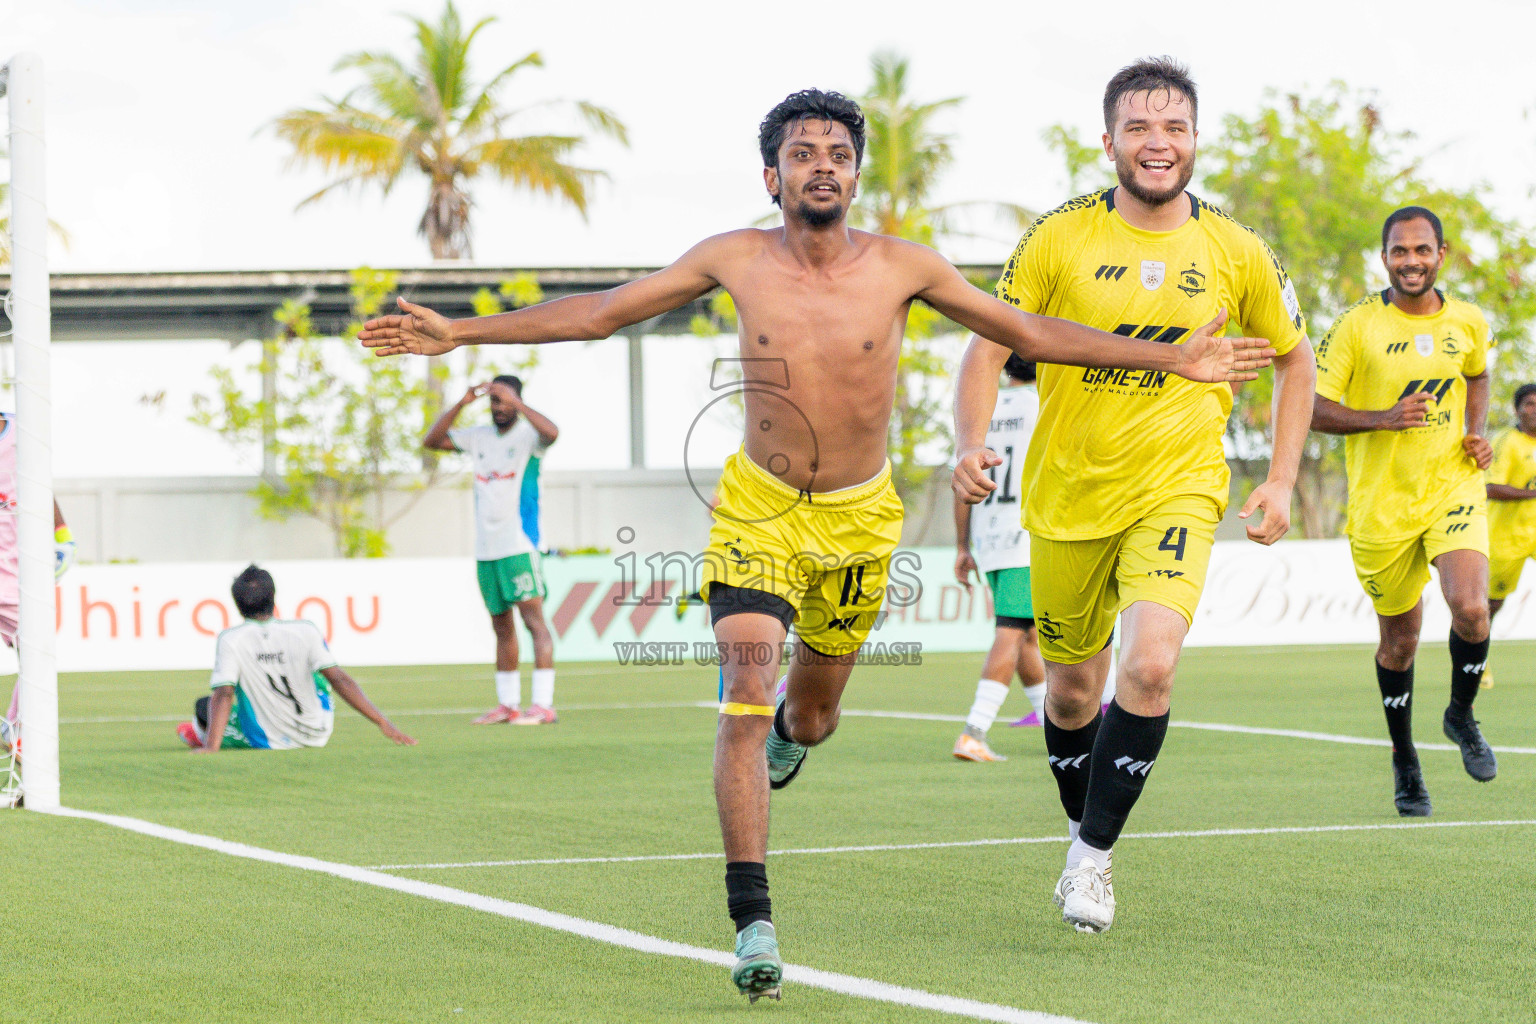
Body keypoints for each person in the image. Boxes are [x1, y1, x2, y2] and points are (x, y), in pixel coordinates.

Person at [359, 88, 1271, 999]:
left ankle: (799, 731)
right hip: (758, 512)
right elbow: (606, 310)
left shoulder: (906, 267)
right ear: (773, 175)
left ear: (857, 173)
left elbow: (1029, 333)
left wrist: (1169, 357)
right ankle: (753, 920)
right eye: (803, 152)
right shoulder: (734, 259)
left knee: (809, 716)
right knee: (746, 696)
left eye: (837, 151)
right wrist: (460, 331)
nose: (822, 164)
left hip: (860, 522)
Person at [953, 57, 1315, 934]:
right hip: (1068, 495)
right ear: (1108, 139)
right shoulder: (1057, 239)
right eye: (1142, 129)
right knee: (1072, 696)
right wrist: (968, 442)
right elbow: (987, 348)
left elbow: (1297, 357)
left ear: (1195, 139)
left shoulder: (1235, 248)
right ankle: (1085, 830)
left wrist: (1279, 476)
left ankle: (1092, 862)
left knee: (1149, 666)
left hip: (1181, 487)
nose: (1160, 144)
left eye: (1176, 128)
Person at [1312, 206, 1497, 817]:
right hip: (1382, 509)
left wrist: (1476, 432)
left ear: (1440, 254)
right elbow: (1309, 406)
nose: (1411, 261)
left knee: (1471, 606)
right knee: (1401, 641)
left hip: (1453, 488)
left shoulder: (1468, 320)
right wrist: (1381, 418)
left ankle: (1461, 714)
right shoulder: (1357, 326)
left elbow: (1477, 375)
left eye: (1422, 250)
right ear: (1384, 256)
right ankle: (1404, 758)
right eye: (1399, 251)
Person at [424, 376, 560, 725]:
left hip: (519, 545)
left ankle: (543, 705)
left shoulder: (530, 437)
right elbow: (432, 441)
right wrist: (462, 402)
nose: (498, 408)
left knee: (534, 623)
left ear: (514, 400)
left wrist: (517, 402)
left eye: (503, 401)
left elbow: (553, 432)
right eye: (494, 402)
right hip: (486, 549)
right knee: (501, 626)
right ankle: (508, 705)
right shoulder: (479, 436)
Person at [176, 565, 415, 751]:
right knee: (321, 670)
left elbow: (224, 694)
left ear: (237, 605)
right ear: (274, 597)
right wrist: (383, 722)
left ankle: (200, 735)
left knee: (204, 707)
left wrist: (211, 747)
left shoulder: (231, 639)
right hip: (318, 731)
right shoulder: (306, 630)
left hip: (268, 739)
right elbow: (340, 680)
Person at [951, 355, 1046, 761]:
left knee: (1027, 634)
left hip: (990, 536)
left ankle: (1055, 726)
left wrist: (962, 545)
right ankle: (973, 732)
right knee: (1012, 630)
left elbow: (961, 477)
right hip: (1026, 535)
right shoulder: (1045, 403)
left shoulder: (982, 410)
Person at [1, 408, 75, 777]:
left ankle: (14, 733)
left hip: (16, 578)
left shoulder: (21, 431)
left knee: (38, 655)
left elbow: (41, 484)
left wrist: (63, 535)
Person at [1483, 383, 1536, 688]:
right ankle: (1478, 661)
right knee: (1490, 605)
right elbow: (1490, 487)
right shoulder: (1506, 441)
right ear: (1517, 410)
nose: (1535, 409)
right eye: (1529, 404)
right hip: (1506, 537)